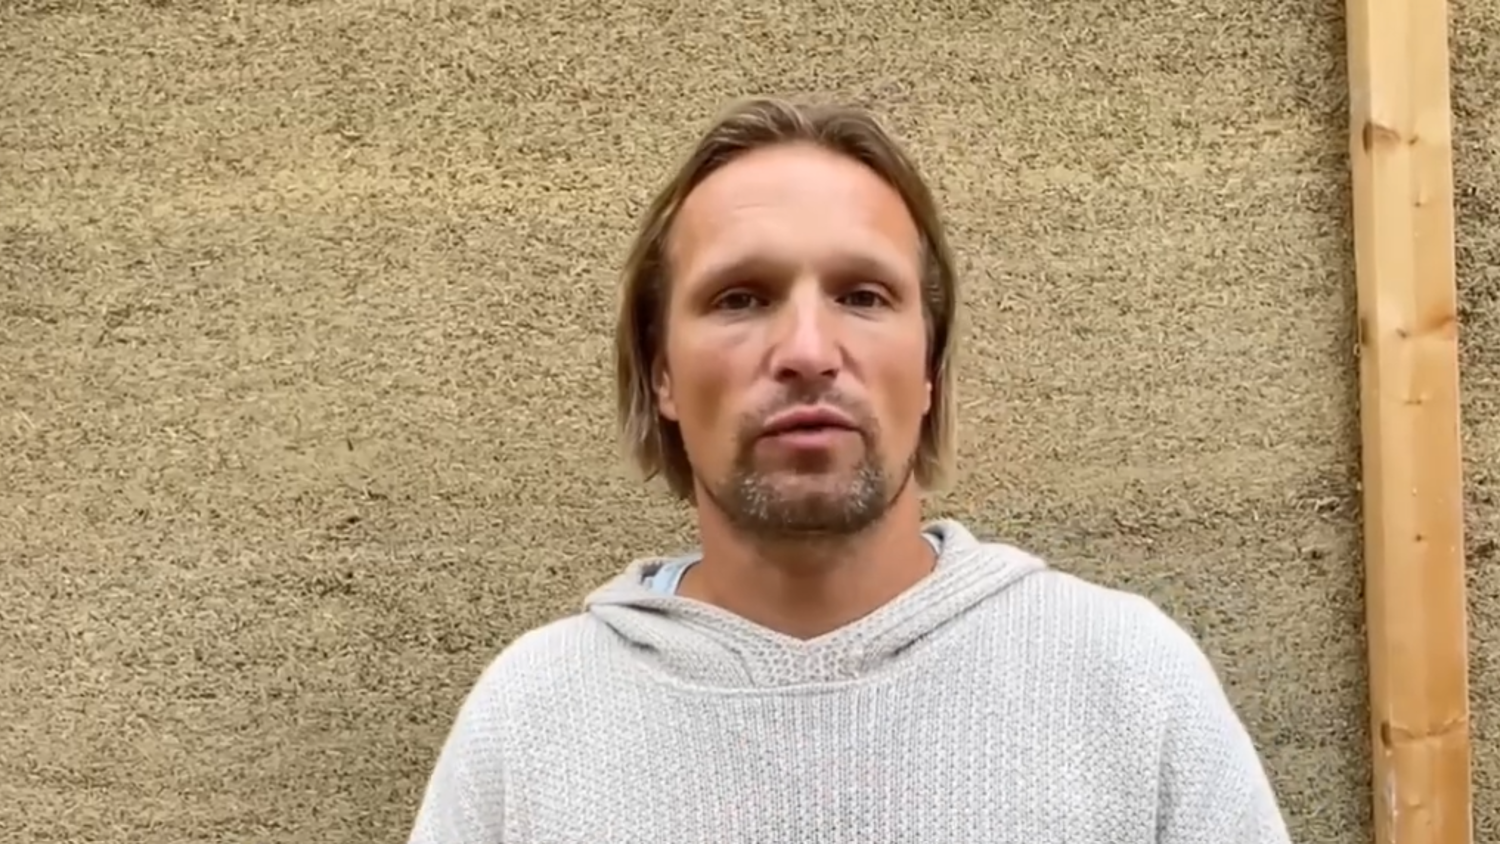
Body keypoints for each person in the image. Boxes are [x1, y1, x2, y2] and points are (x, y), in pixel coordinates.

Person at [405, 97, 1292, 844]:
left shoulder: (1128, 683)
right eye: (740, 298)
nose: (807, 349)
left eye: (863, 296)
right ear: (662, 371)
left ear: (930, 365)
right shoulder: (531, 720)